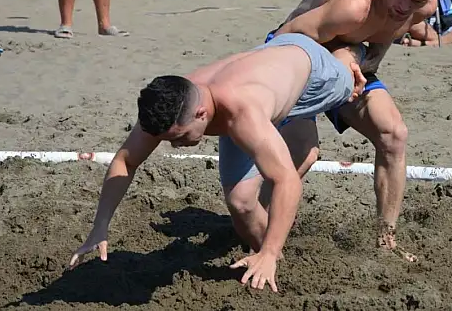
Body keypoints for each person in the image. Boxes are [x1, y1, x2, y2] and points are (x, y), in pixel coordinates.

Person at [68, 34, 367, 292]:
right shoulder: (172, 105)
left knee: (349, 81)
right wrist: (100, 225)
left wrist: (270, 252)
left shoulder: (241, 114)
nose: (176, 146)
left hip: (311, 68)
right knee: (240, 202)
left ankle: (349, 52)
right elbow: (126, 160)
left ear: (201, 114)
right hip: (266, 78)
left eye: (180, 137)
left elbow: (286, 180)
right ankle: (269, 259)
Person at [266, 0, 452, 263]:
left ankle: (386, 241)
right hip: (295, 54)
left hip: (351, 59)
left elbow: (386, 33)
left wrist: (363, 58)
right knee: (304, 152)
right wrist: (341, 61)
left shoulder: (422, 6)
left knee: (394, 135)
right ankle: (258, 228)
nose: (404, 5)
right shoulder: (353, 5)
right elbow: (285, 37)